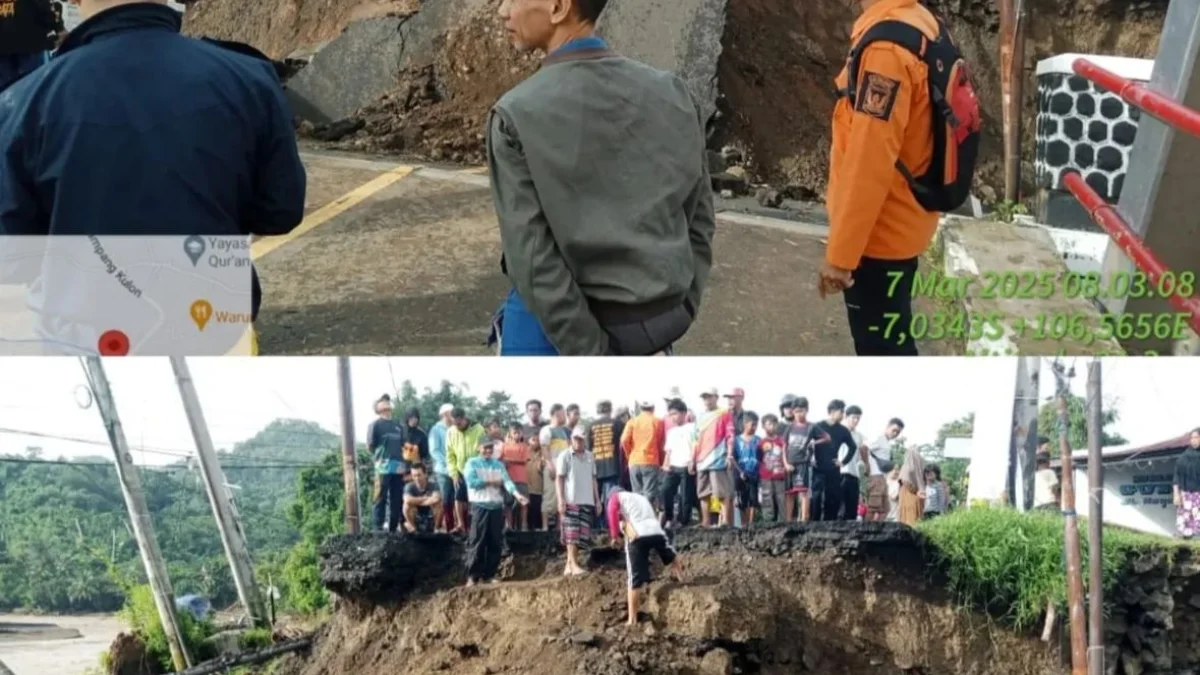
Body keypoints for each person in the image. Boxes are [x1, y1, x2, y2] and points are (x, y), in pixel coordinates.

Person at [489, 0, 716, 356]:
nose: (502, 11)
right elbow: (700, 219)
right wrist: (684, 305)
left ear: (559, 7)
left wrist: (593, 355)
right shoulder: (674, 93)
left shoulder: (514, 114)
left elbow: (532, 260)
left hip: (558, 340)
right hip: (657, 324)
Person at [0, 0, 305, 235]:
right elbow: (279, 213)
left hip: (82, 313)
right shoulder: (250, 79)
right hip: (211, 306)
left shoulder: (23, 103)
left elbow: (13, 255)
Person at [819, 0, 972, 356]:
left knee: (883, 349)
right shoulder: (919, 21)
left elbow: (869, 159)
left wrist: (840, 258)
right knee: (891, 339)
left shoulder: (886, 51)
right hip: (906, 219)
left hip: (879, 237)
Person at [606, 488, 684, 626]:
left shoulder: (616, 497)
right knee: (670, 554)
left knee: (634, 578)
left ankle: (632, 619)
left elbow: (612, 511)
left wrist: (614, 535)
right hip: (656, 531)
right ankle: (682, 579)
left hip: (638, 534)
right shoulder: (640, 498)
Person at [464, 440, 528, 586]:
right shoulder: (472, 463)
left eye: (490, 448)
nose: (488, 451)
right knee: (477, 541)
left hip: (496, 507)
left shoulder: (498, 465)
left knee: (495, 541)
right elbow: (472, 482)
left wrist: (517, 495)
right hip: (479, 506)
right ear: (479, 447)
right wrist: (491, 482)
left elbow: (507, 482)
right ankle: (473, 576)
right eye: (485, 448)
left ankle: (490, 574)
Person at [557, 426, 599, 576]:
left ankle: (570, 565)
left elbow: (593, 479)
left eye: (581, 439)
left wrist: (597, 500)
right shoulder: (565, 456)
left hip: (586, 499)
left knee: (581, 535)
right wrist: (561, 499)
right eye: (576, 439)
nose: (578, 442)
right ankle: (573, 564)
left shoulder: (590, 456)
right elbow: (559, 479)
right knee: (571, 533)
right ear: (571, 439)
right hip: (571, 499)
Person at [808, 400, 856, 522]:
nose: (843, 414)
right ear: (832, 411)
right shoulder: (817, 426)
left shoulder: (843, 430)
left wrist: (843, 462)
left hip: (833, 467)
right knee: (816, 495)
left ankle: (830, 523)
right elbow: (807, 444)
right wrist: (810, 458)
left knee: (833, 496)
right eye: (841, 411)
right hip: (818, 467)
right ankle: (814, 522)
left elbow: (853, 447)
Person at [367, 395, 407, 532]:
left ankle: (393, 527)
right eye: (382, 402)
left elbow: (403, 445)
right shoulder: (375, 425)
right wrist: (381, 457)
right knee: (380, 496)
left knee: (396, 498)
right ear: (377, 408)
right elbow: (370, 446)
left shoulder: (398, 425)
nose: (386, 403)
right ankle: (378, 527)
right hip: (382, 466)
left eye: (387, 401)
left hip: (398, 466)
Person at [693, 388, 732, 527]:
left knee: (721, 491)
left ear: (716, 397)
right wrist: (693, 460)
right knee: (703, 493)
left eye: (709, 397)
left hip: (717, 458)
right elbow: (695, 439)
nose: (707, 400)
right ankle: (706, 521)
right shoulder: (699, 417)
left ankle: (726, 521)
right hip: (701, 460)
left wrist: (730, 454)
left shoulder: (724, 413)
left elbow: (730, 435)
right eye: (704, 397)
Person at [0, 0, 54, 93]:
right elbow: (42, 5)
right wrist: (55, 25)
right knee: (32, 86)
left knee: (4, 90)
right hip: (30, 40)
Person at [448, 409, 487, 533]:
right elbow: (450, 455)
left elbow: (484, 450)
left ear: (464, 418)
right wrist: (453, 473)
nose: (456, 427)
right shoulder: (451, 431)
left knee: (475, 499)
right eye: (454, 424)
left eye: (458, 424)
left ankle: (476, 526)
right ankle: (461, 525)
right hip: (459, 470)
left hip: (476, 470)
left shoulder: (479, 429)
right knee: (458, 496)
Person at [587, 400, 626, 525]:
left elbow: (588, 448)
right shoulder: (618, 424)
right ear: (610, 409)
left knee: (596, 498)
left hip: (595, 467)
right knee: (611, 497)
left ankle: (597, 525)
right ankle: (610, 524)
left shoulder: (590, 426)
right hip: (613, 466)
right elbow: (623, 445)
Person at [620, 401, 665, 506]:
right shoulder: (658, 421)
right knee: (649, 494)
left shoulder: (632, 422)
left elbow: (624, 440)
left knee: (637, 495)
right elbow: (661, 444)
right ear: (653, 407)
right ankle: (648, 518)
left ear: (641, 408)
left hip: (634, 461)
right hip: (651, 461)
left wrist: (629, 455)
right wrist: (661, 461)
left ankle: (639, 520)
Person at [660, 398, 696, 528]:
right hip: (673, 465)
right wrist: (665, 464)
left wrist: (692, 460)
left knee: (686, 495)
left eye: (675, 414)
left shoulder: (692, 427)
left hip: (686, 464)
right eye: (670, 415)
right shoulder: (671, 432)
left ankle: (683, 521)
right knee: (665, 490)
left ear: (684, 413)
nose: (672, 418)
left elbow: (695, 445)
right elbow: (668, 451)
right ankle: (669, 517)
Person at [778, 396, 813, 522]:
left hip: (802, 464)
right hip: (784, 465)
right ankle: (787, 521)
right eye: (786, 407)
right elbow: (782, 447)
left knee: (803, 492)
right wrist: (785, 463)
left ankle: (803, 519)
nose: (788, 410)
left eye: (790, 407)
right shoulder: (780, 427)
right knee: (787, 495)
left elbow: (819, 440)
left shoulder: (809, 427)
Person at [862, 418, 904, 521]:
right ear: (888, 427)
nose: (895, 434)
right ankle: (866, 531)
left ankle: (877, 530)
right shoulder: (879, 438)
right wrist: (867, 465)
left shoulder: (886, 442)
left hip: (882, 477)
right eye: (894, 430)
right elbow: (863, 447)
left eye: (898, 432)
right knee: (873, 507)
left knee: (885, 508)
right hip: (875, 476)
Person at [539, 404, 572, 530]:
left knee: (562, 496)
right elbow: (544, 448)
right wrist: (550, 465)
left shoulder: (565, 431)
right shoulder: (547, 429)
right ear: (556, 414)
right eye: (563, 413)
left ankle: (560, 526)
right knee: (549, 495)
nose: (565, 416)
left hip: (564, 468)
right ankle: (545, 526)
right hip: (552, 465)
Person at [428, 404, 457, 532]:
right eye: (451, 413)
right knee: (445, 499)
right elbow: (434, 451)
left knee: (457, 499)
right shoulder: (436, 430)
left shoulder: (455, 428)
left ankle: (457, 526)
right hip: (443, 471)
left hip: (456, 470)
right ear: (445, 414)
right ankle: (446, 527)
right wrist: (449, 463)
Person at [500, 423, 532, 531]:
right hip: (508, 479)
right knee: (507, 503)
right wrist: (504, 462)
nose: (517, 434)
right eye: (514, 432)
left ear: (522, 433)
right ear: (510, 433)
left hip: (521, 478)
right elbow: (500, 460)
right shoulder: (504, 446)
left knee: (524, 503)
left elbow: (525, 460)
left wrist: (509, 461)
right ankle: (509, 525)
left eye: (519, 432)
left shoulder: (524, 446)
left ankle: (524, 525)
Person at [757, 414, 788, 523]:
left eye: (774, 424)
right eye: (769, 424)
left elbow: (785, 456)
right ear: (763, 426)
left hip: (779, 475)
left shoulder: (781, 441)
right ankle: (768, 522)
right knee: (767, 498)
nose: (772, 426)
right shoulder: (760, 443)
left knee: (781, 499)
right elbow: (759, 458)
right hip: (766, 476)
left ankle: (782, 522)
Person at [733, 412, 761, 529]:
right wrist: (740, 471)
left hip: (754, 474)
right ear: (745, 424)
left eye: (756, 425)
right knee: (741, 500)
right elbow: (733, 458)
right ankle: (744, 525)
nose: (754, 427)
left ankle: (751, 524)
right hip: (740, 474)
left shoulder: (759, 440)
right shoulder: (736, 440)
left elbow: (762, 457)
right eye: (752, 424)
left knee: (753, 500)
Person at [839, 405, 867, 520]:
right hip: (839, 472)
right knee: (839, 508)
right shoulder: (838, 431)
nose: (856, 421)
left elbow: (864, 450)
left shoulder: (858, 436)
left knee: (851, 510)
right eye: (854, 418)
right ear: (846, 416)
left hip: (854, 474)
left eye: (858, 418)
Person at [1173, 428, 1200, 539]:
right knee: (1185, 523)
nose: (1195, 440)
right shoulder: (1183, 458)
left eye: (1197, 437)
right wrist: (1176, 494)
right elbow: (1176, 477)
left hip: (1199, 495)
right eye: (1192, 438)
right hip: (1186, 495)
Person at [402, 464, 443, 534]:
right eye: (414, 475)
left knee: (438, 505)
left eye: (419, 475)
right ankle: (413, 528)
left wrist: (416, 501)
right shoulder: (409, 486)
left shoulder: (433, 485)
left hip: (430, 510)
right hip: (416, 512)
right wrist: (426, 499)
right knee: (406, 506)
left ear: (425, 474)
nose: (417, 478)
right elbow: (407, 500)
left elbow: (436, 499)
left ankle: (436, 528)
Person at [897, 444, 927, 525]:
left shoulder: (907, 467)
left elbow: (905, 481)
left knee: (907, 520)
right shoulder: (921, 464)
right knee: (916, 520)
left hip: (908, 495)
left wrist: (914, 490)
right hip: (918, 495)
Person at [525, 435, 546, 531]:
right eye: (533, 439)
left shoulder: (542, 453)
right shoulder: (525, 452)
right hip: (527, 487)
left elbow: (542, 468)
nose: (536, 442)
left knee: (537, 510)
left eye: (538, 440)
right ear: (528, 441)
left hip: (539, 487)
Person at [1032, 448, 1060, 512]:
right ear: (1047, 462)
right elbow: (1054, 488)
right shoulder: (1050, 472)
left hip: (1037, 505)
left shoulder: (1034, 475)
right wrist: (1057, 498)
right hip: (1049, 503)